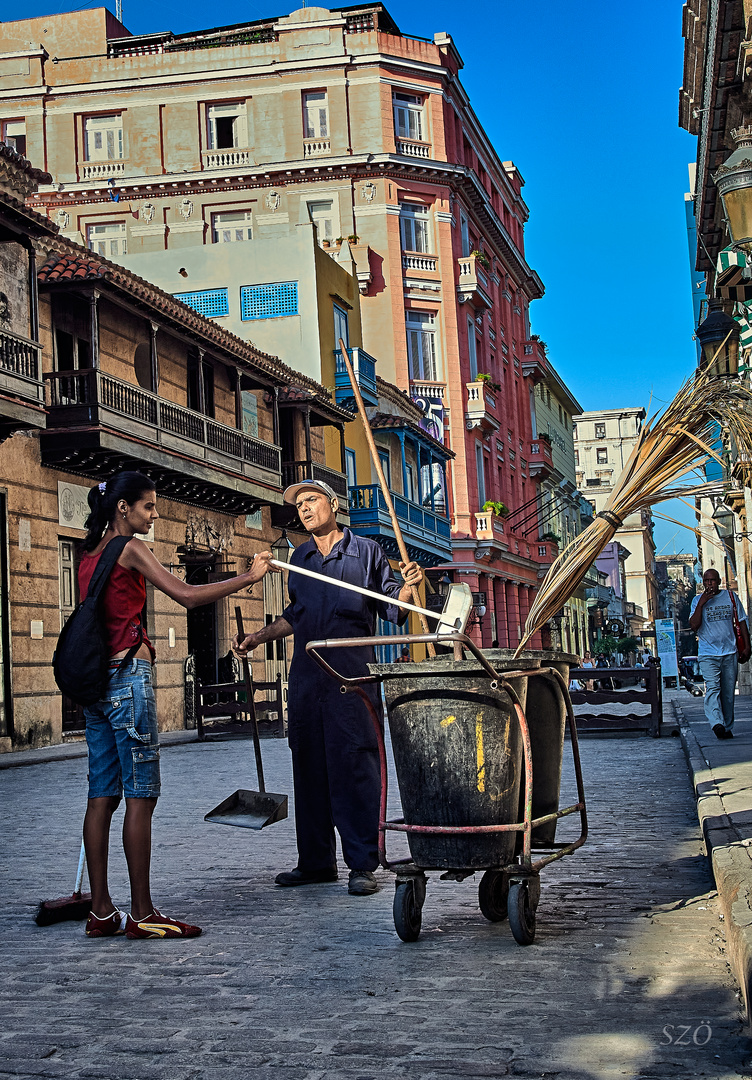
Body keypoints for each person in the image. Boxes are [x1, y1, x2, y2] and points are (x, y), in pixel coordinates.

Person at [79, 471, 273, 938]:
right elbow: (186, 595)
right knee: (141, 795)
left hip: (95, 685)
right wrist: (248, 576)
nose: (154, 513)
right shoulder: (130, 548)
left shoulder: (87, 555)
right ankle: (143, 914)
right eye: (147, 506)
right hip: (128, 679)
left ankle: (102, 910)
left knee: (101, 796)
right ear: (123, 508)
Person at [233, 478, 423, 897]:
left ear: (333, 505)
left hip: (351, 683)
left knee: (356, 770)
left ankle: (362, 864)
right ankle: (316, 862)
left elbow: (394, 606)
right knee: (310, 770)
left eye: (311, 499)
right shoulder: (299, 559)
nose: (303, 508)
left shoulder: (366, 552)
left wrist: (410, 583)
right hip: (307, 682)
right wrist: (258, 638)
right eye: (299, 503)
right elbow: (295, 616)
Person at [689, 568, 751, 739]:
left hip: (729, 651)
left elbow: (742, 622)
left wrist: (747, 645)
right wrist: (702, 603)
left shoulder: (730, 597)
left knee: (728, 692)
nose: (710, 584)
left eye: (713, 580)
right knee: (713, 688)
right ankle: (716, 723)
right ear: (703, 583)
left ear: (719, 581)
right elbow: (694, 625)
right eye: (707, 581)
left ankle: (727, 726)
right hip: (708, 653)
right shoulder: (696, 601)